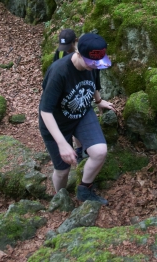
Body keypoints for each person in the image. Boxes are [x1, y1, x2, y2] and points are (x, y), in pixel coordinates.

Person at [39, 33, 115, 205]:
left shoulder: (93, 66)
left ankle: (84, 190)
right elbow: (45, 111)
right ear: (79, 54)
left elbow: (94, 84)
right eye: (91, 63)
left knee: (100, 151)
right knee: (62, 171)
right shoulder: (59, 72)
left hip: (81, 113)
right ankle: (61, 198)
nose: (94, 67)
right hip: (56, 122)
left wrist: (99, 101)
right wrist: (62, 143)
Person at [53, 29, 85, 162]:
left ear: (75, 41)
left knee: (77, 118)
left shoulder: (83, 54)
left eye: (68, 47)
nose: (66, 50)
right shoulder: (59, 53)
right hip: (64, 91)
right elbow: (54, 71)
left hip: (79, 89)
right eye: (63, 47)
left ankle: (80, 149)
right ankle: (69, 148)